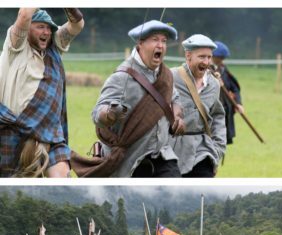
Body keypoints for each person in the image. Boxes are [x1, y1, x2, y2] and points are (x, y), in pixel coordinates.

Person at [71, 20, 185, 177]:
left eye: (164, 41)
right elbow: (97, 114)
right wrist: (109, 114)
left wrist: (177, 116)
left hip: (163, 155)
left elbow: (175, 97)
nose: (161, 45)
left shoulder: (165, 74)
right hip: (132, 160)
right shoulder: (121, 77)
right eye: (155, 40)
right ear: (140, 43)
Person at [0, 8, 84, 177]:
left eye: (48, 28)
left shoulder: (53, 47)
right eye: (40, 27)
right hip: (14, 132)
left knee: (62, 177)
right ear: (27, 28)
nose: (46, 31)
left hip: (50, 135)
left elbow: (77, 25)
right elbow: (24, 14)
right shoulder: (15, 46)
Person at [171, 34, 226, 177]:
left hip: (203, 150)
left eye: (209, 57)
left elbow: (218, 116)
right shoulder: (170, 78)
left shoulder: (214, 84)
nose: (207, 62)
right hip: (172, 150)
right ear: (188, 56)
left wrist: (217, 150)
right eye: (202, 57)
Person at [212, 41, 243, 144]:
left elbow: (235, 89)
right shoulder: (204, 70)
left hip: (224, 113)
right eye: (220, 57)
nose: (222, 60)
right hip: (210, 113)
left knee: (221, 143)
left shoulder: (224, 70)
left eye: (223, 58)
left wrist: (238, 103)